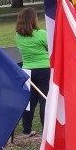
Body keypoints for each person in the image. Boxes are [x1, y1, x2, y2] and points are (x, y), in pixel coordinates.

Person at [14, 8, 50, 136]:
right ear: (33, 20)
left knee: (30, 101)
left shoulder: (18, 36)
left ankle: (26, 129)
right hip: (44, 69)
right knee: (44, 100)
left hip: (27, 70)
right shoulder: (41, 34)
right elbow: (49, 49)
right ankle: (46, 129)